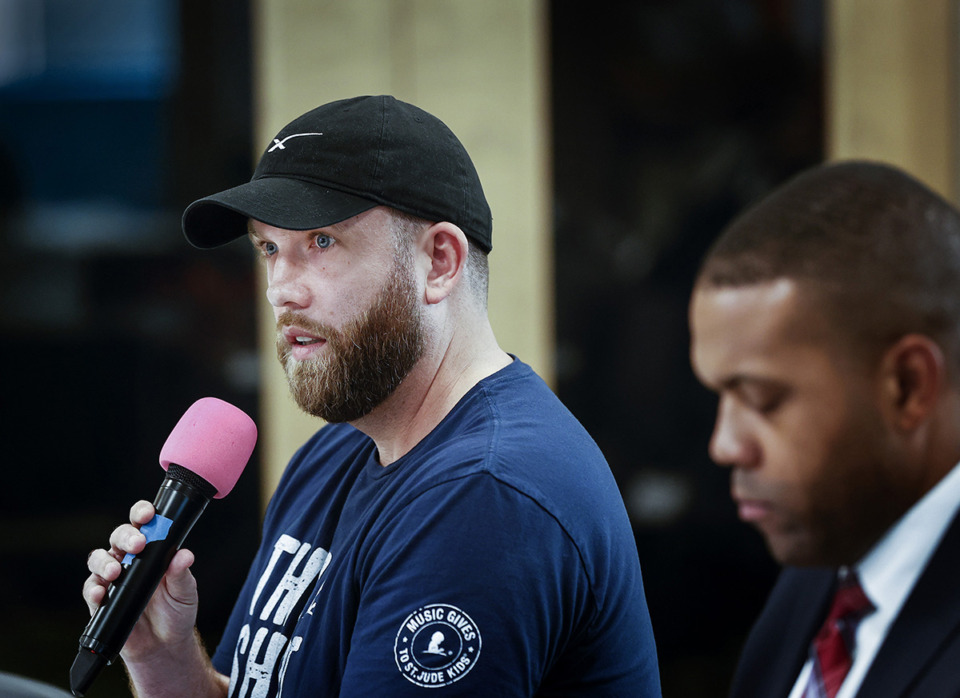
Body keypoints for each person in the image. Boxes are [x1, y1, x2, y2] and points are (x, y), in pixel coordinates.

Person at [82, 95, 661, 697]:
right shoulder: (333, 454)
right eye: (270, 249)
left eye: (322, 242)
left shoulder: (487, 495)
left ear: (439, 261)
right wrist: (165, 660)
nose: (281, 290)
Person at [689, 160, 960, 698]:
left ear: (907, 386)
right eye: (719, 396)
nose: (724, 445)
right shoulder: (823, 572)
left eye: (763, 400)